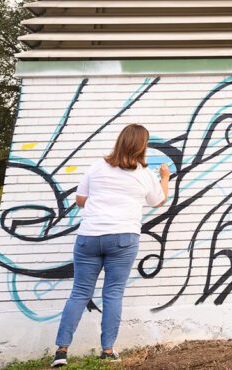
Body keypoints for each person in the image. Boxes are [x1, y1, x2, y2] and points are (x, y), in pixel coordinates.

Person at [51, 124, 170, 367]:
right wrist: (165, 178)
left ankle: (61, 352)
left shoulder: (97, 166)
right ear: (142, 146)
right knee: (113, 293)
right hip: (123, 238)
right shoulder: (143, 173)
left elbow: (81, 200)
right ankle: (107, 351)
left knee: (80, 292)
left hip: (89, 237)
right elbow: (158, 201)